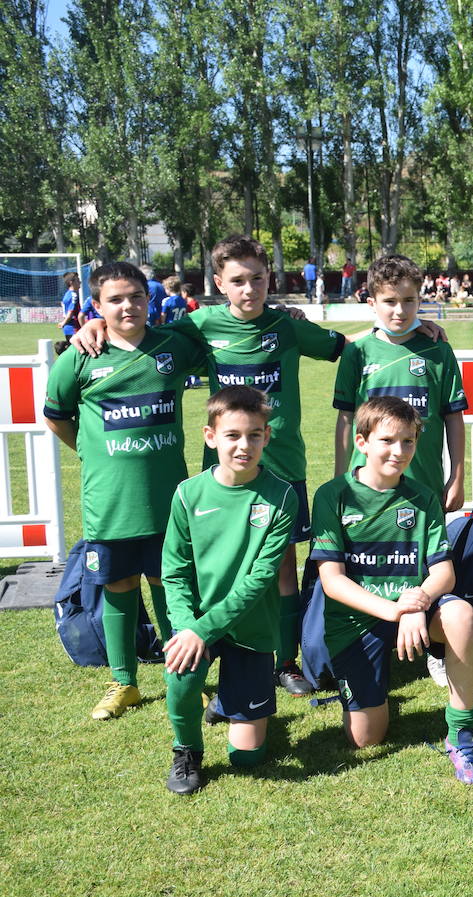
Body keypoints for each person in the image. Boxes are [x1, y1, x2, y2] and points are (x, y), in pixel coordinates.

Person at [71, 234, 347, 698]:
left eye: (257, 279)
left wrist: (411, 327)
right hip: (220, 481)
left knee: (280, 567)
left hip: (282, 472)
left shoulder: (286, 327)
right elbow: (138, 341)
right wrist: (94, 327)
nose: (249, 289)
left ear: (269, 279)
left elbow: (345, 347)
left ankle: (285, 660)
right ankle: (215, 650)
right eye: (237, 281)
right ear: (219, 283)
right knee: (216, 568)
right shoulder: (199, 326)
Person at [43, 261, 204, 720]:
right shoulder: (80, 357)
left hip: (167, 499)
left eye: (135, 296)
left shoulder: (172, 347)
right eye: (114, 300)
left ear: (148, 299)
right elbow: (55, 414)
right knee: (117, 585)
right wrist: (91, 452)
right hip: (110, 501)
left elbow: (224, 344)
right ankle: (123, 682)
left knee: (169, 586)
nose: (127, 305)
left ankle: (184, 675)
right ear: (97, 305)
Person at [311, 396, 473, 783]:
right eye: (388, 440)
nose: (399, 451)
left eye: (408, 441)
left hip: (413, 609)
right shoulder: (332, 496)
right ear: (362, 442)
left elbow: (444, 574)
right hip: (357, 622)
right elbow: (333, 581)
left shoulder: (422, 497)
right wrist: (396, 611)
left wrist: (415, 605)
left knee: (461, 614)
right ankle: (373, 689)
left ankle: (461, 732)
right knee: (366, 740)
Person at [160, 386, 298, 794]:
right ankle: (186, 751)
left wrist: (205, 629)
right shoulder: (188, 494)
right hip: (197, 622)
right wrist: (189, 628)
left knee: (247, 759)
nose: (244, 445)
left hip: (251, 627)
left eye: (254, 435)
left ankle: (226, 702)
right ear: (210, 436)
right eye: (233, 435)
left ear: (267, 437)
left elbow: (259, 579)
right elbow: (174, 572)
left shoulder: (281, 496)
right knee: (182, 674)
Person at [332, 254, 467, 512]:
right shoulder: (356, 353)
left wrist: (457, 477)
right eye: (390, 301)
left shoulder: (439, 352)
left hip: (425, 483)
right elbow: (346, 418)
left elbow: (453, 418)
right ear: (372, 303)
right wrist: (340, 478)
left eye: (408, 301)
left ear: (419, 298)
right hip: (366, 485)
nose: (400, 310)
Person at [58, 272, 83, 338]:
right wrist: (64, 322)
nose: (80, 282)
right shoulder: (73, 295)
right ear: (71, 282)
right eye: (78, 280)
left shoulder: (67, 294)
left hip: (68, 328)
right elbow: (70, 312)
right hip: (74, 328)